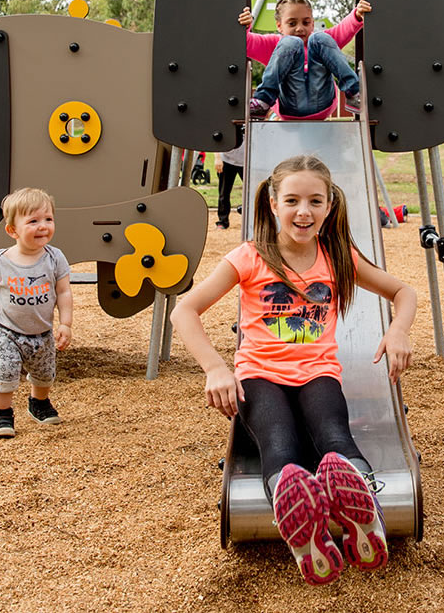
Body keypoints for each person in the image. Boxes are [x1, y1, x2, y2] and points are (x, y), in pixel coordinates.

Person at [170, 155, 415, 585]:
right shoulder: (249, 257)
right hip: (259, 379)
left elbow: (403, 292)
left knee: (334, 437)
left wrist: (398, 332)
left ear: (330, 206)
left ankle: (360, 507)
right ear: (272, 202)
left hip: (317, 374)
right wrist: (215, 368)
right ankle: (304, 533)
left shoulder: (337, 256)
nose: (304, 211)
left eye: (315, 201)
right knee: (280, 446)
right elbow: (185, 310)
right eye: (293, 200)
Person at [0, 187, 74, 439]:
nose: (43, 226)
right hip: (6, 331)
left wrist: (65, 323)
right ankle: (2, 413)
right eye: (33, 221)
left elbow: (64, 292)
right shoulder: (1, 261)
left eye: (48, 219)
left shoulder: (55, 259)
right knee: (6, 371)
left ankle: (38, 404)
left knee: (44, 374)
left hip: (41, 333)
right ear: (13, 230)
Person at [241, 0, 371, 120]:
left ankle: (354, 92)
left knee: (320, 37)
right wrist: (244, 27)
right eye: (292, 24)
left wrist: (357, 15)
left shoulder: (320, 44)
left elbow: (344, 29)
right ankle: (263, 100)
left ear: (312, 24)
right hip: (290, 103)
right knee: (290, 42)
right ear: (279, 26)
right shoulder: (274, 45)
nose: (300, 28)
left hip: (322, 100)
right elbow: (245, 42)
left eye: (306, 22)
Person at [214, 130, 245, 229]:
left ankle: (253, 219)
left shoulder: (253, 116)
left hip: (246, 161)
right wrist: (217, 158)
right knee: (224, 192)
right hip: (226, 160)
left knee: (253, 192)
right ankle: (223, 221)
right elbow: (216, 138)